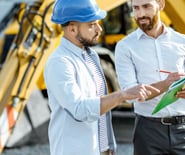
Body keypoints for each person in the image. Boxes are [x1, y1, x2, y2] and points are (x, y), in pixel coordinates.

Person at [44, 0, 159, 155]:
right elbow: (80, 109)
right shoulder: (60, 62)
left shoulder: (92, 56)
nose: (99, 29)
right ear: (72, 29)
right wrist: (122, 95)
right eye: (92, 24)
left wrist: (107, 146)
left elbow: (100, 106)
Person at [115, 0, 185, 155]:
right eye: (136, 8)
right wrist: (166, 84)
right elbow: (130, 94)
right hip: (148, 132)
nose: (140, 14)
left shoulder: (182, 42)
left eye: (146, 6)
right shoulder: (125, 47)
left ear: (160, 4)